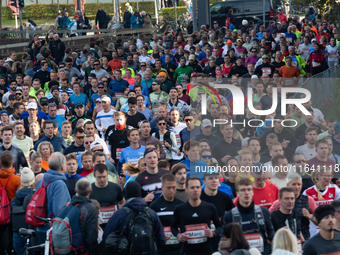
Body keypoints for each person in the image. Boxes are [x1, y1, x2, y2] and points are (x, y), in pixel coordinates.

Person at [102, 181, 166, 253]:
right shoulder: (151, 214)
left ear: (125, 195)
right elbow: (162, 240)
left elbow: (107, 238)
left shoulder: (118, 215)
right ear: (140, 194)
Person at [171, 176, 222, 255]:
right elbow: (173, 227)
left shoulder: (210, 207)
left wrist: (213, 233)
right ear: (186, 189)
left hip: (206, 251)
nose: (195, 190)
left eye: (197, 187)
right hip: (187, 252)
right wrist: (179, 235)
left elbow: (220, 227)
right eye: (192, 187)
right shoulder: (179, 209)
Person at [223, 178, 275, 255]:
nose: (246, 193)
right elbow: (223, 239)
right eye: (243, 190)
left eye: (249, 189)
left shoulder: (264, 212)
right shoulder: (229, 215)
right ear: (237, 193)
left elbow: (271, 231)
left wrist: (274, 238)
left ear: (253, 192)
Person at [35, 152, 71, 246]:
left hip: (40, 227)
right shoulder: (59, 184)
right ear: (63, 166)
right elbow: (59, 211)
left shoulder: (42, 181)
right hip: (52, 231)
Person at [201, 170, 234, 252]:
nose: (214, 180)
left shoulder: (225, 197)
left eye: (216, 178)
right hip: (201, 240)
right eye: (210, 178)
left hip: (220, 239)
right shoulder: (198, 197)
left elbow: (234, 215)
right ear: (204, 181)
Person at [150, 174, 183, 255]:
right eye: (168, 188)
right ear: (162, 187)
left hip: (179, 248)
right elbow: (150, 227)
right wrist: (159, 234)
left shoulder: (181, 205)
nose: (171, 190)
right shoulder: (154, 206)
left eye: (173, 187)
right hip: (162, 249)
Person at [69, 178, 99, 253]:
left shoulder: (66, 207)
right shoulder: (91, 209)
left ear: (75, 190)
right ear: (91, 191)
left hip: (66, 248)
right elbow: (91, 237)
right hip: (82, 249)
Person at [10, 167, 35, 255]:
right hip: (33, 233)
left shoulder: (15, 200)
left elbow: (11, 218)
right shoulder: (36, 197)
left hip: (18, 233)